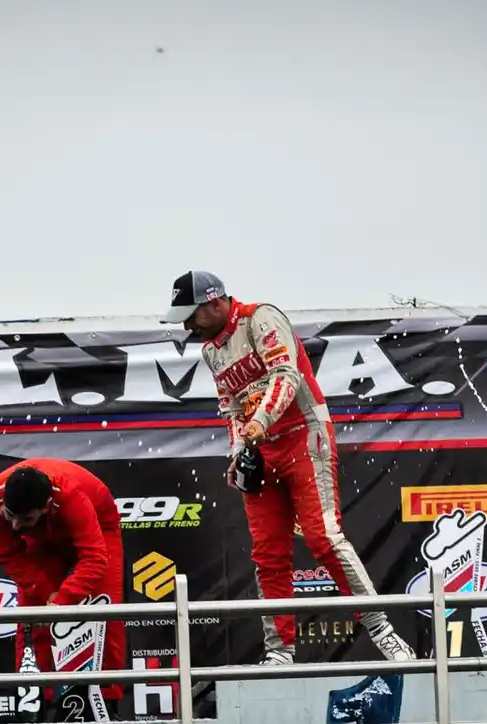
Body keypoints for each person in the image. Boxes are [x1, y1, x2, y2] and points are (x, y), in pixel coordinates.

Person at [162, 270, 415, 666]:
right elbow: (229, 406)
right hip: (261, 451)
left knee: (323, 538)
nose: (187, 325)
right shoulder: (211, 351)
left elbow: (287, 374)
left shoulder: (261, 318)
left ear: (214, 303)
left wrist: (260, 422)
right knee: (268, 555)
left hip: (303, 434)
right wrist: (238, 451)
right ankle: (280, 652)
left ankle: (384, 633)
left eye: (191, 315)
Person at [0, 458, 127, 722]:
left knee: (104, 614)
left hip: (99, 526)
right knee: (34, 618)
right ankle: (42, 704)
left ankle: (106, 704)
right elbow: (7, 553)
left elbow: (95, 558)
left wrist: (61, 601)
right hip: (40, 536)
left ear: (47, 506)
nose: (14, 526)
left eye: (24, 518)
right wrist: (47, 594)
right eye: (11, 516)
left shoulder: (72, 496)